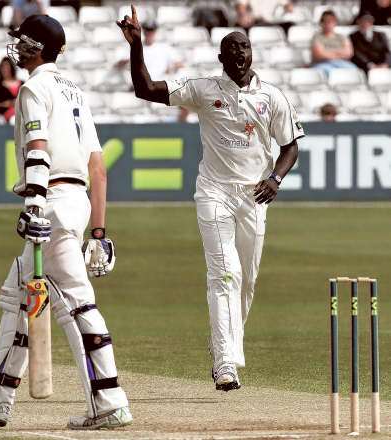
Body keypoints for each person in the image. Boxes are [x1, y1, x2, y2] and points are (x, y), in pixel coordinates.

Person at [0, 14, 132, 430]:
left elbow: (38, 148)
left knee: (77, 302)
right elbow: (99, 168)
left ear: (37, 48)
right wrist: (100, 233)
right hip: (76, 201)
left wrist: (34, 205)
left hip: (50, 201)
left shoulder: (34, 88)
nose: (16, 47)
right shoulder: (76, 93)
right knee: (17, 300)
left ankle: (108, 401)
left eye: (22, 41)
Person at [117, 6, 303, 391]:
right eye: (232, 48)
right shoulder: (204, 89)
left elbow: (290, 146)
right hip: (214, 192)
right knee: (225, 275)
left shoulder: (272, 96)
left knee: (246, 280)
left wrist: (276, 178)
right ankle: (224, 363)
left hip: (255, 197)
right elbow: (145, 89)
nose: (239, 53)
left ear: (252, 54)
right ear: (221, 57)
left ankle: (222, 341)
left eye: (245, 47)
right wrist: (137, 47)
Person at [311, 10, 357, 76]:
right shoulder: (317, 37)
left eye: (331, 21)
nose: (328, 24)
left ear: (335, 22)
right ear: (321, 23)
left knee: (354, 71)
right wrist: (339, 53)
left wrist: (327, 52)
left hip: (342, 63)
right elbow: (319, 55)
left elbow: (349, 53)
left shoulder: (342, 37)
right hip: (323, 64)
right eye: (325, 21)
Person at [0, 57, 23, 121]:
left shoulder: (22, 83)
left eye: (7, 67)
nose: (5, 70)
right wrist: (7, 104)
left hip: (20, 112)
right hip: (4, 114)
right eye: (2, 67)